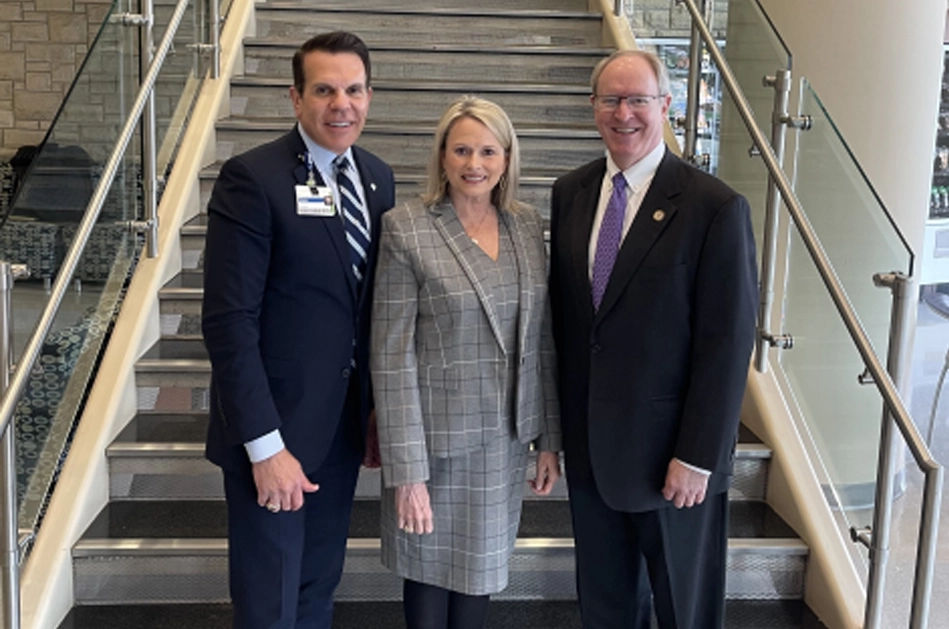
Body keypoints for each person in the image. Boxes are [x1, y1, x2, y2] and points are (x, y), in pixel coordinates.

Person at [548, 50, 758, 629]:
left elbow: (727, 344)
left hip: (674, 462)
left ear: (665, 106)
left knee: (684, 612)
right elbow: (569, 328)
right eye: (611, 100)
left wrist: (697, 456)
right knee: (607, 609)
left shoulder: (714, 207)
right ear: (593, 108)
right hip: (593, 457)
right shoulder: (571, 193)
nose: (624, 113)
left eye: (638, 99)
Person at [202, 31, 395, 629]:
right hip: (276, 437)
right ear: (295, 97)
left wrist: (372, 410)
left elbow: (366, 309)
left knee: (315, 594)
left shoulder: (376, 179)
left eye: (355, 89)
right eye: (325, 90)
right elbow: (229, 321)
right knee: (269, 607)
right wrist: (265, 447)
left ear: (369, 95)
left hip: (340, 434)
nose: (343, 104)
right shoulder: (252, 179)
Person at [370, 95, 562, 629]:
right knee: (429, 575)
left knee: (481, 577)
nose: (473, 164)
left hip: (504, 443)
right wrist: (406, 473)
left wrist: (548, 439)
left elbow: (541, 339)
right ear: (442, 156)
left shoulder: (526, 226)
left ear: (506, 158)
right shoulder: (407, 227)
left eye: (487, 151)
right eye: (461, 150)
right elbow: (391, 357)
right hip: (434, 448)